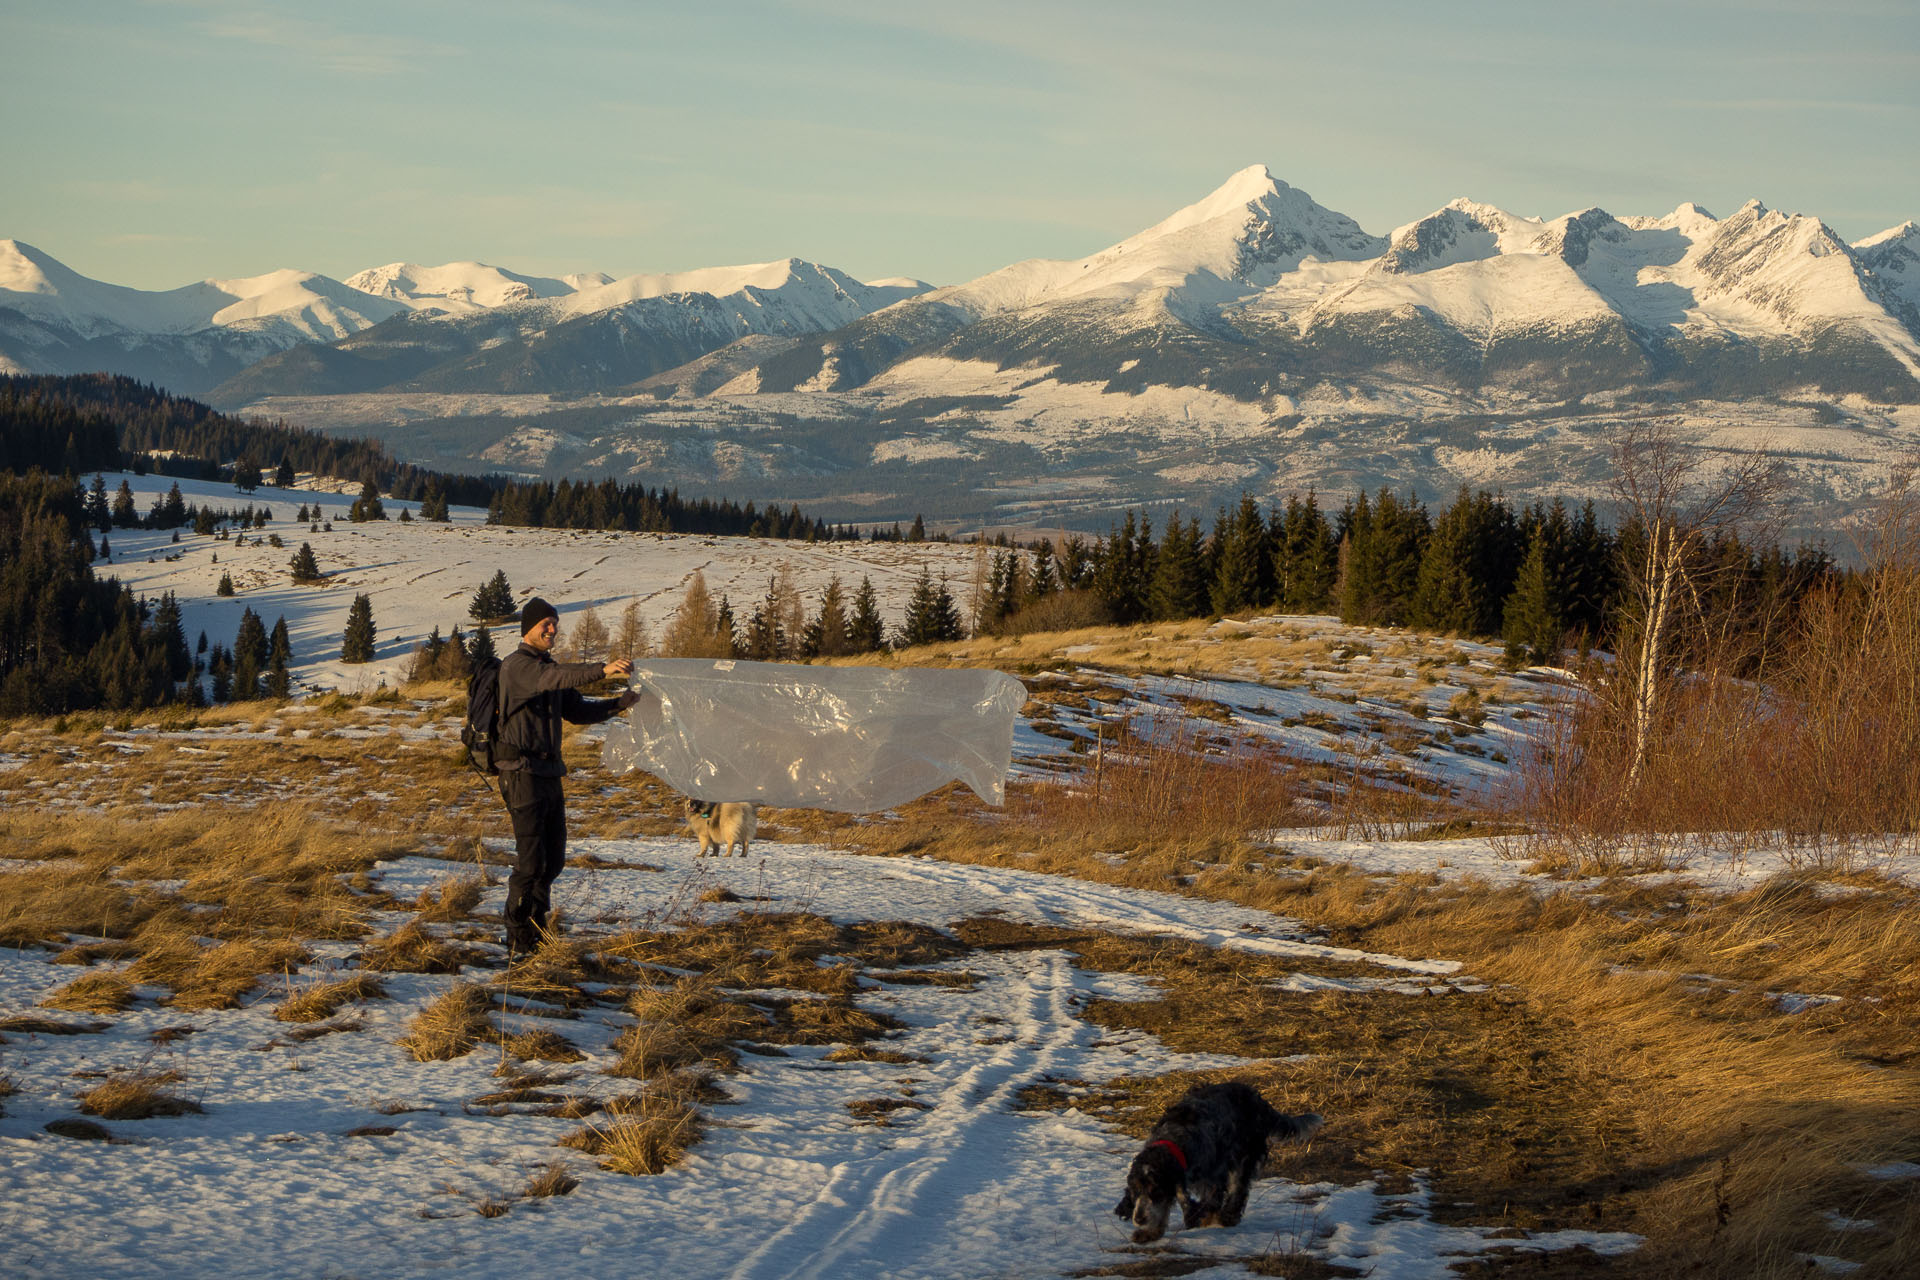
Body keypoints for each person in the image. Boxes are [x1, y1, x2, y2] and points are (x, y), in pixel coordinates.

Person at [496, 596, 642, 954]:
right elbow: (552, 679)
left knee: (553, 860)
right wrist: (602, 670)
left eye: (555, 623)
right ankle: (518, 940)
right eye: (546, 623)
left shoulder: (548, 668)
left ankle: (537, 930)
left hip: (548, 773)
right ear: (527, 628)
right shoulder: (518, 667)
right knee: (531, 863)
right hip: (521, 774)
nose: (553, 629)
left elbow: (577, 711)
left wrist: (619, 705)